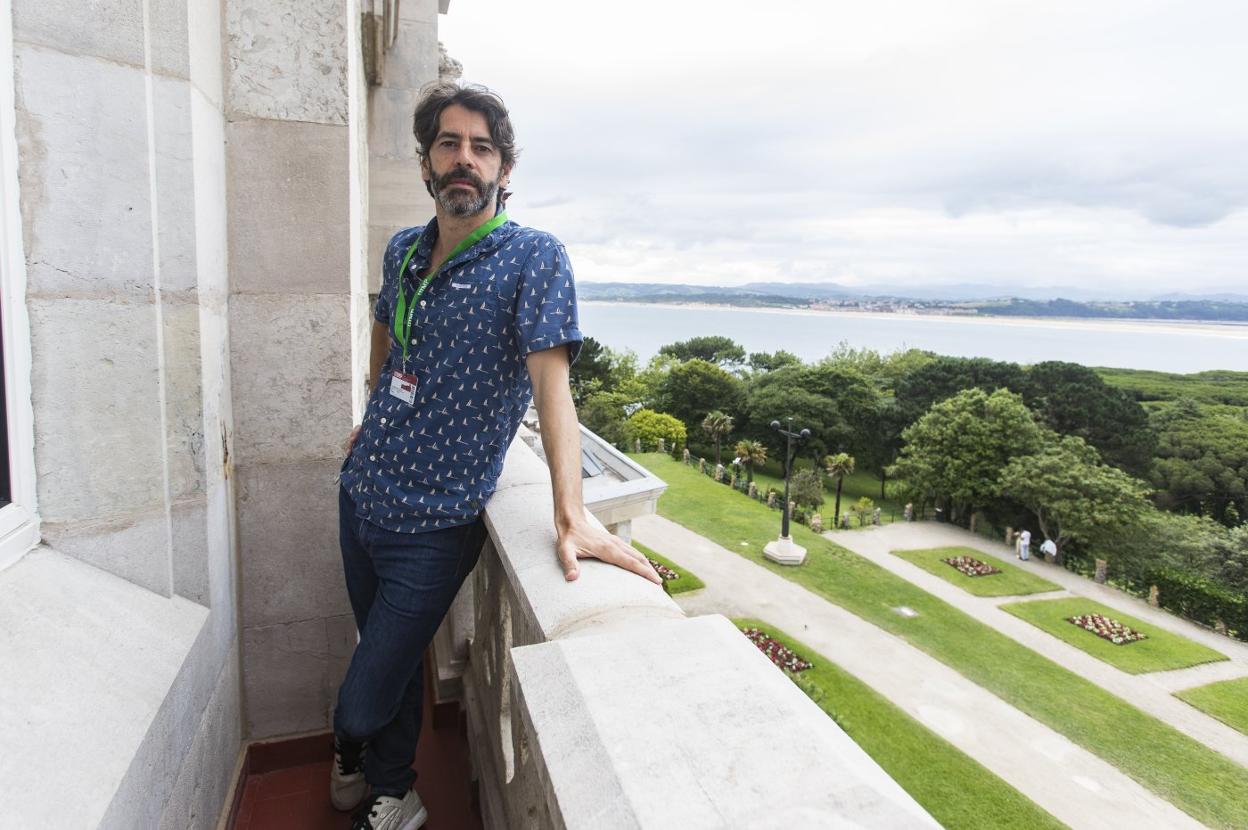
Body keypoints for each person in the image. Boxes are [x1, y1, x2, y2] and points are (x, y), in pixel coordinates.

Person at [332, 82, 662, 830]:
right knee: (391, 661)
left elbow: (554, 392)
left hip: (438, 525)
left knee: (361, 694)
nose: (465, 159)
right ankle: (394, 789)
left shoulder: (532, 259)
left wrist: (571, 509)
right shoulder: (404, 250)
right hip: (362, 498)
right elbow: (386, 337)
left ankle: (351, 746)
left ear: (503, 171)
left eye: (482, 148)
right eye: (449, 143)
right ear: (426, 163)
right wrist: (373, 412)